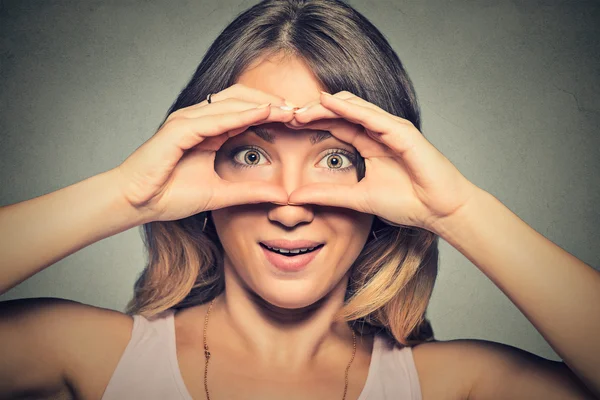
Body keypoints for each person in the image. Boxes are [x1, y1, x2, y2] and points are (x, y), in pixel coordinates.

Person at [1, 0, 598, 399]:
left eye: (334, 159)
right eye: (252, 155)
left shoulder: (459, 384)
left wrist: (457, 212)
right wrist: (126, 196)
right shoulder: (86, 355)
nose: (289, 204)